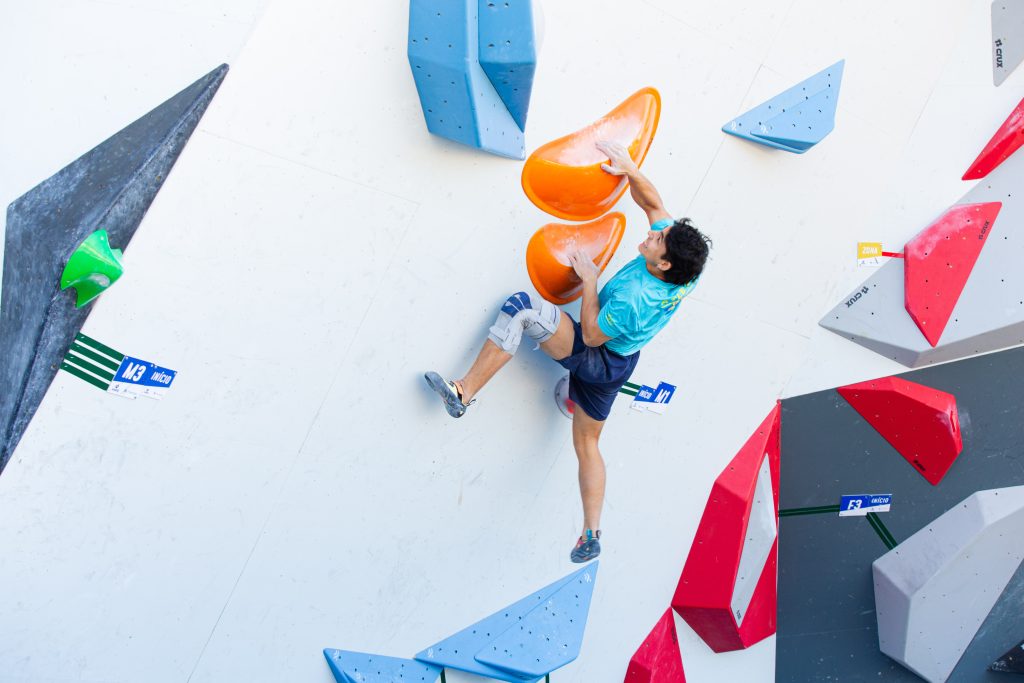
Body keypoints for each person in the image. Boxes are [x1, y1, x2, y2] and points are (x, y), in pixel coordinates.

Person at [424, 140, 711, 562]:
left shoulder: (636, 298)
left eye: (657, 241)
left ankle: (463, 393)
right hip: (622, 365)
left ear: (663, 264)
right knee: (588, 445)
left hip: (597, 355)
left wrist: (590, 279)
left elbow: (592, 335)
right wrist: (630, 169)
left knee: (521, 309)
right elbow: (654, 204)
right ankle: (590, 534)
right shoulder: (686, 273)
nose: (652, 233)